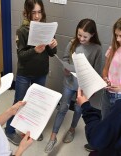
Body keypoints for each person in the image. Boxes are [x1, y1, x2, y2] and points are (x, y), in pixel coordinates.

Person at [44, 18, 102, 153]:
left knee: (78, 109)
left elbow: (97, 71)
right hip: (69, 82)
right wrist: (65, 69)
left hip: (84, 87)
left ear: (92, 35)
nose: (81, 38)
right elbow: (65, 59)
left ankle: (72, 129)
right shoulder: (72, 43)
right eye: (79, 34)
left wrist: (92, 89)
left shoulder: (97, 49)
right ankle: (53, 137)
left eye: (85, 36)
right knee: (62, 107)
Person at [5, 0, 57, 146]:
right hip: (25, 73)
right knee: (19, 102)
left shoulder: (47, 28)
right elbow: (21, 55)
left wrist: (53, 46)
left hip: (41, 72)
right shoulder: (22, 31)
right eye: (33, 12)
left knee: (36, 104)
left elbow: (52, 53)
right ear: (27, 13)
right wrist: (34, 50)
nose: (37, 16)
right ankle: (9, 130)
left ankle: (30, 130)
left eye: (39, 12)